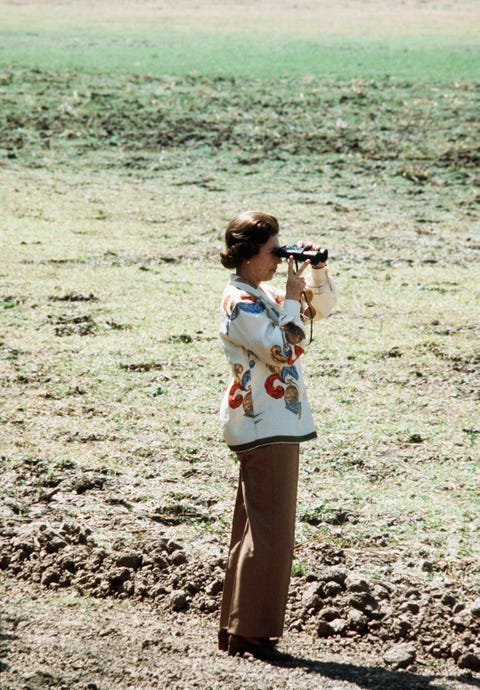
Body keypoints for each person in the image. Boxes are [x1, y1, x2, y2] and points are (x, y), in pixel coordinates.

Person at [217, 211, 338, 660]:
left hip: (269, 422)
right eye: (274, 252)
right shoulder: (241, 302)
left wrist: (317, 272)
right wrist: (289, 299)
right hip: (265, 423)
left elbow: (322, 311)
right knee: (270, 532)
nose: (279, 259)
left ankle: (239, 627)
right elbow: (285, 351)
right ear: (249, 254)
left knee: (255, 528)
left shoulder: (259, 293)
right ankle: (251, 633)